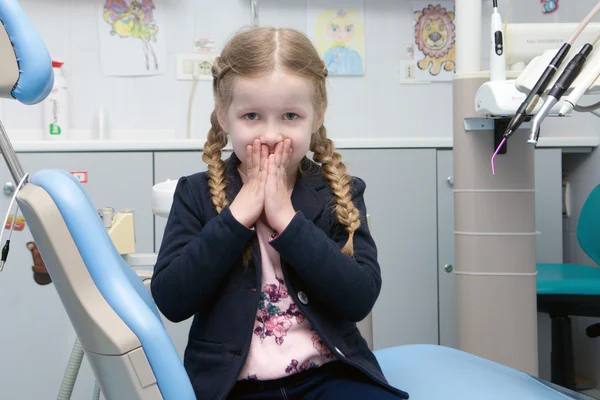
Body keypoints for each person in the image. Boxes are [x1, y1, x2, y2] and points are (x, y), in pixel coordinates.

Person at [151, 26, 409, 400]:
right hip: (231, 386)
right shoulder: (195, 194)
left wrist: (287, 220)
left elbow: (359, 299)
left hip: (329, 375)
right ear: (223, 116)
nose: (271, 135)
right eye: (252, 116)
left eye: (290, 116)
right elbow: (172, 301)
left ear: (317, 116)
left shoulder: (343, 191)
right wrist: (237, 216)